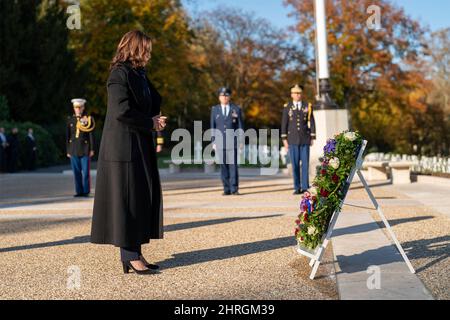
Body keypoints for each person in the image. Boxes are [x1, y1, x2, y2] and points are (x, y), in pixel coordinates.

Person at [91, 30, 167, 276]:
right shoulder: (119, 74)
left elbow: (152, 100)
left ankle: (135, 253)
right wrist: (150, 123)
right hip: (122, 149)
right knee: (127, 201)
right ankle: (130, 256)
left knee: (140, 199)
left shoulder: (137, 73)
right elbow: (121, 111)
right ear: (135, 48)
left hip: (138, 145)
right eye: (146, 48)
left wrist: (153, 115)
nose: (149, 53)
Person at [281, 84, 316, 195]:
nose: (297, 95)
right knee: (295, 164)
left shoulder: (307, 106)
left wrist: (312, 136)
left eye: (299, 93)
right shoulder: (287, 107)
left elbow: (312, 122)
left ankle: (305, 186)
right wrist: (284, 139)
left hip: (305, 138)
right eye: (295, 93)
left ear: (301, 94)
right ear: (291, 95)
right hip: (292, 139)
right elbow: (284, 123)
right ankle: (297, 187)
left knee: (305, 164)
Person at [210, 87, 244, 196]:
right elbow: (213, 126)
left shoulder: (236, 109)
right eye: (222, 96)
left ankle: (234, 188)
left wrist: (241, 140)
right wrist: (213, 141)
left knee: (233, 166)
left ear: (229, 97)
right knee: (223, 166)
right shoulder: (215, 109)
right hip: (220, 142)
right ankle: (226, 189)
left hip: (232, 142)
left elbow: (240, 126)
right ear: (219, 97)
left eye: (226, 95)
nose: (224, 97)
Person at [66, 98, 95, 197]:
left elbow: (90, 134)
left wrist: (91, 149)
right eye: (75, 107)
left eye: (79, 107)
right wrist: (68, 150)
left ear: (83, 108)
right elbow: (68, 136)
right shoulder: (70, 120)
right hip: (73, 149)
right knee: (76, 172)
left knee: (86, 172)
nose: (77, 109)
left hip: (85, 149)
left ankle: (86, 191)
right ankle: (79, 191)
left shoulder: (87, 119)